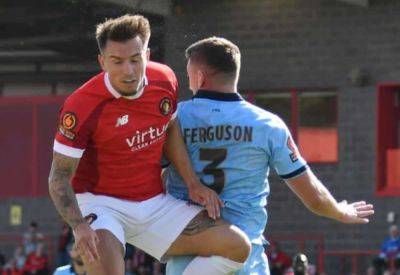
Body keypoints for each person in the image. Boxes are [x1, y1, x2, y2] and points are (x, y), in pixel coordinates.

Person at [48, 15, 251, 275]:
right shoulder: (81, 106)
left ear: (147, 53)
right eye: (117, 61)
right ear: (102, 62)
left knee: (237, 246)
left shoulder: (165, 80)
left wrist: (192, 182)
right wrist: (78, 226)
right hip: (101, 205)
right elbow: (59, 176)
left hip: (154, 203)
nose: (128, 70)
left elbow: (171, 128)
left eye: (135, 59)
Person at [164, 36, 375, 275]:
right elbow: (314, 198)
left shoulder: (173, 119)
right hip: (246, 255)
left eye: (189, 75)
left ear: (200, 76)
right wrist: (339, 211)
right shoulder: (267, 124)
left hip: (188, 255)